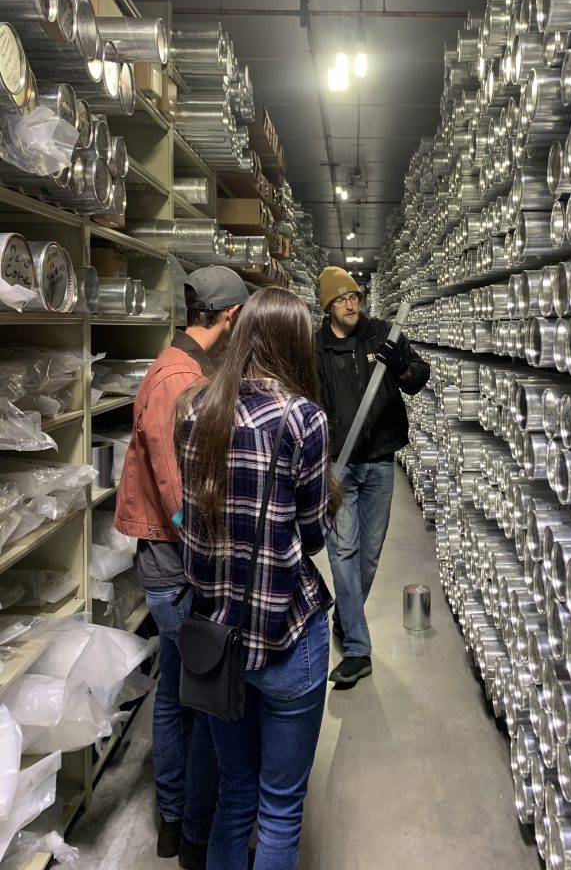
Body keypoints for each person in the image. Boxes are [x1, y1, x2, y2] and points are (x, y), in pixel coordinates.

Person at [176, 286, 339, 870]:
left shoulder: (193, 410)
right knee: (279, 808)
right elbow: (313, 536)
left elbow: (191, 527)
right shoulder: (304, 419)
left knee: (235, 796)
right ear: (294, 343)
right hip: (285, 637)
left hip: (217, 640)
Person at [115, 266, 249, 869]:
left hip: (165, 560)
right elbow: (176, 488)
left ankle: (174, 818)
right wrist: (212, 554)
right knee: (198, 697)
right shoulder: (178, 379)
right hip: (176, 565)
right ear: (231, 317)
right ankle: (190, 824)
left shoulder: (180, 366)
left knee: (174, 690)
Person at [315, 266, 430, 687]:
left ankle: (347, 618)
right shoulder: (318, 346)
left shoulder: (383, 333)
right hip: (339, 464)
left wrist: (400, 365)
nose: (351, 304)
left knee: (368, 553)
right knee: (342, 552)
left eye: (354, 297)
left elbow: (418, 379)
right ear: (327, 305)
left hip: (379, 460)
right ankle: (359, 651)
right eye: (342, 299)